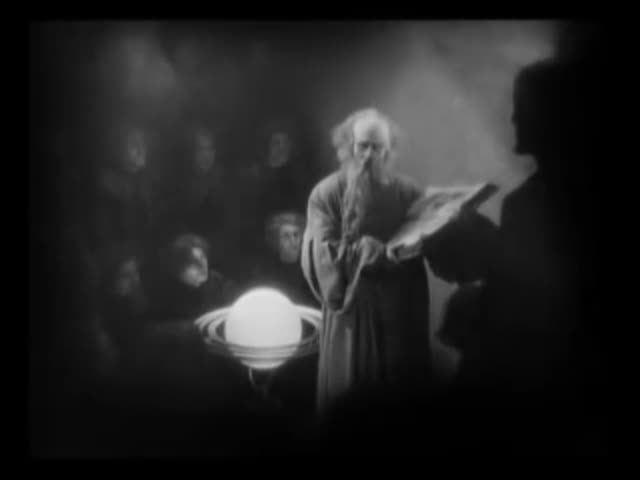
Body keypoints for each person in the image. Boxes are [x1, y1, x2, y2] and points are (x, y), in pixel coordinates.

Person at [301, 108, 463, 418]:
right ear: (349, 147)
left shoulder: (409, 192)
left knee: (401, 398)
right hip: (354, 311)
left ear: (389, 151)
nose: (369, 155)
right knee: (354, 400)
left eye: (378, 148)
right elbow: (323, 256)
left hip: (401, 311)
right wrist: (373, 252)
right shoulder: (327, 194)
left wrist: (449, 221)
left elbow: (435, 246)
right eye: (363, 146)